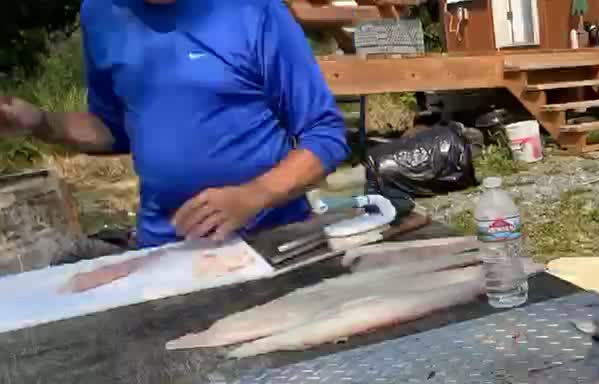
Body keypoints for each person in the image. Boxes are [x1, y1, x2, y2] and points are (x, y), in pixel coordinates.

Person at [0, 0, 349, 248]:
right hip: (163, 250)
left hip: (271, 239)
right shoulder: (101, 12)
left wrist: (252, 196)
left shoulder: (254, 10)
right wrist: (41, 121)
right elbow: (113, 128)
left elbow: (326, 134)